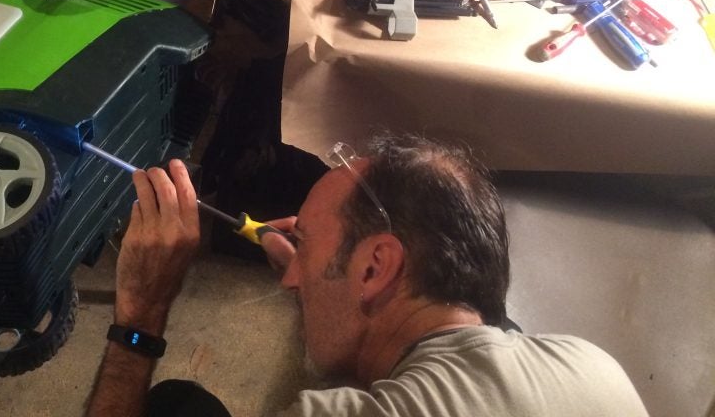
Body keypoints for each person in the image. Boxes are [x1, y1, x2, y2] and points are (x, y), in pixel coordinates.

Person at [85, 134, 650, 416]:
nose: (288, 280)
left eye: (303, 244)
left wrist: (141, 312)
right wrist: (323, 278)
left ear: (376, 266)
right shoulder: (592, 368)